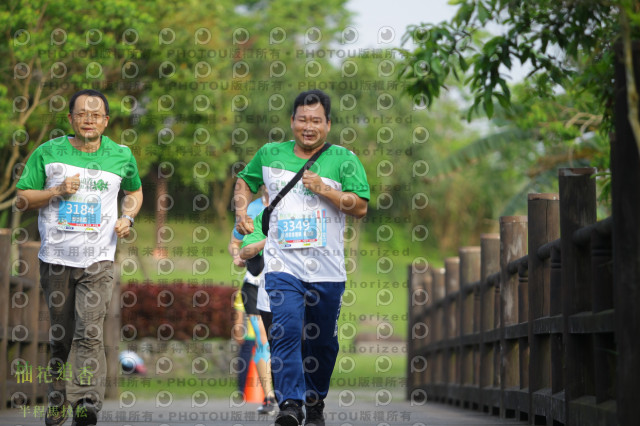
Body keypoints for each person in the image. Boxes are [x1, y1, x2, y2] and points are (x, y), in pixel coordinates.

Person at [233, 89, 370, 426]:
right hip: (282, 266)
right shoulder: (269, 154)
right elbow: (244, 182)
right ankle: (290, 404)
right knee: (286, 330)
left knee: (323, 343)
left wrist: (325, 189)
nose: (309, 127)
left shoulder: (344, 159)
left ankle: (315, 399)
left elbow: (361, 207)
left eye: (316, 121)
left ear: (328, 124)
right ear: (292, 121)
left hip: (327, 270)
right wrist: (240, 210)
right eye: (303, 120)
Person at [15, 89, 143, 426]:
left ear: (106, 121)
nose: (89, 120)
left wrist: (127, 218)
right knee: (62, 334)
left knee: (90, 331)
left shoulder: (121, 155)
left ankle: (86, 403)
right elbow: (23, 198)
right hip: (56, 258)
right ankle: (57, 398)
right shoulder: (48, 152)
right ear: (70, 119)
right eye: (82, 114)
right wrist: (56, 191)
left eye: (96, 114)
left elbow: (135, 191)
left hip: (99, 259)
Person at [228, 187, 277, 414]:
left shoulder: (288, 204)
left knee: (284, 339)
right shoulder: (251, 208)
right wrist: (237, 255)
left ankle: (285, 393)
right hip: (254, 283)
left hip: (283, 283)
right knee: (263, 338)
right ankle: (268, 397)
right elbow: (234, 241)